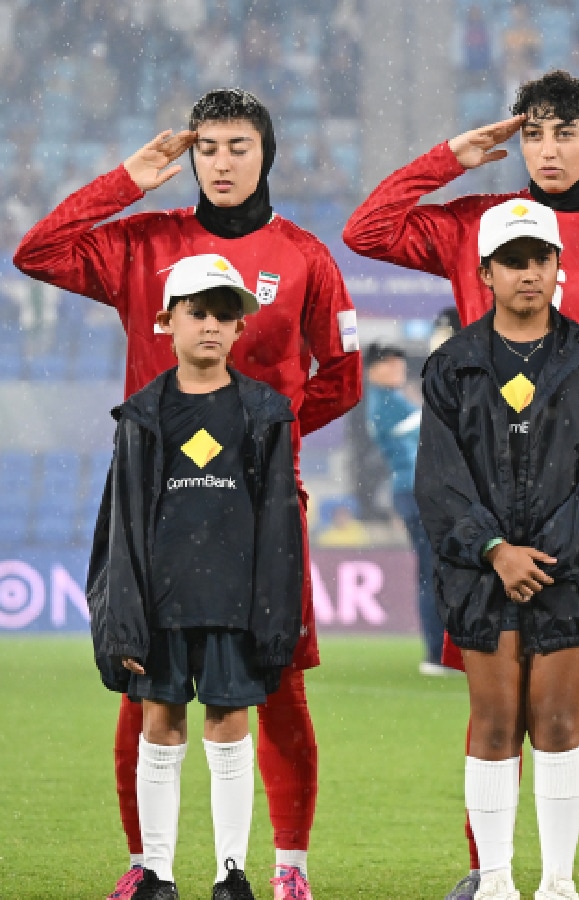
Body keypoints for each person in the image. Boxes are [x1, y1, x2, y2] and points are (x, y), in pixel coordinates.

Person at [343, 70, 579, 900]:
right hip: (487, 505)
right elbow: (368, 229)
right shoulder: (474, 223)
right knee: (492, 695)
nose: (547, 147)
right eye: (533, 132)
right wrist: (451, 158)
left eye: (565, 131)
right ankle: (488, 870)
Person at [13, 88, 361, 900]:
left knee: (277, 682)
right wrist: (126, 181)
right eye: (207, 148)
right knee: (144, 683)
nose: (222, 162)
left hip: (262, 501)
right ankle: (148, 866)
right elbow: (36, 251)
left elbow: (341, 374)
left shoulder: (304, 256)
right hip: (154, 499)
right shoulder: (143, 243)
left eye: (238, 146)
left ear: (265, 153)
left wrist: (268, 439)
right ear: (191, 157)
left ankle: (288, 868)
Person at [416, 200, 579, 900]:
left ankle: (559, 884)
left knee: (559, 718)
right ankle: (498, 882)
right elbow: (440, 478)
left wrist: (546, 556)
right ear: (485, 273)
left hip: (570, 572)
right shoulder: (452, 366)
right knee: (493, 720)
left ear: (557, 266)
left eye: (540, 258)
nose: (529, 273)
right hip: (480, 573)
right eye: (513, 261)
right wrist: (494, 550)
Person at [88, 255, 303, 900]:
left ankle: (230, 872)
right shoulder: (140, 417)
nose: (211, 325)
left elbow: (278, 528)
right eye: (197, 312)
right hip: (161, 603)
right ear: (166, 322)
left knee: (231, 723)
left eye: (225, 315)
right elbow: (121, 527)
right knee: (161, 722)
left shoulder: (266, 412)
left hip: (234, 600)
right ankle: (157, 871)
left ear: (241, 329)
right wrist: (123, 615)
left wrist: (273, 615)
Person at [364, 343, 445, 674]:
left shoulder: (387, 401)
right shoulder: (387, 403)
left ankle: (439, 651)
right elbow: (437, 427)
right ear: (373, 370)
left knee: (431, 570)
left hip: (412, 491)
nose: (398, 370)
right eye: (390, 365)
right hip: (417, 492)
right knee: (433, 570)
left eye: (399, 364)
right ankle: (437, 652)